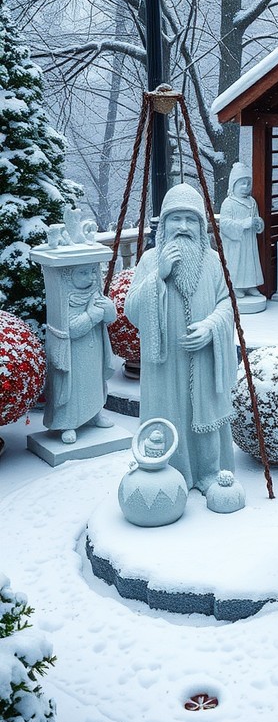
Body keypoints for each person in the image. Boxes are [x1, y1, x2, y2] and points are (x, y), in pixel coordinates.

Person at [125, 183, 238, 493]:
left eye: (192, 220)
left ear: (202, 226)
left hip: (204, 358)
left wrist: (211, 327)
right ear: (165, 223)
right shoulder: (150, 260)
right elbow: (132, 310)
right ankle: (171, 473)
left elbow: (227, 303)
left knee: (206, 417)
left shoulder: (213, 261)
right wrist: (157, 277)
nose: (184, 227)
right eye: (176, 219)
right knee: (169, 416)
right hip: (165, 365)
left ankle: (209, 472)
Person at [43, 262, 116, 444]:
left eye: (93, 271)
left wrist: (109, 309)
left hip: (95, 346)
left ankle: (95, 413)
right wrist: (92, 315)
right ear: (68, 275)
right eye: (83, 272)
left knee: (94, 380)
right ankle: (69, 423)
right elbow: (71, 329)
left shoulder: (94, 292)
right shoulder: (64, 297)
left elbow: (109, 319)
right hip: (74, 352)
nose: (91, 277)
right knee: (74, 386)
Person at [219, 162, 264, 298]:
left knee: (250, 262)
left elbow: (256, 217)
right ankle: (236, 285)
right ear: (233, 185)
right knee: (237, 263)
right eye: (242, 184)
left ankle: (250, 285)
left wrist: (258, 224)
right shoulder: (228, 203)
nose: (245, 187)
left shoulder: (252, 202)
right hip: (236, 242)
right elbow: (225, 224)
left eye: (248, 183)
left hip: (249, 240)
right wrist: (244, 223)